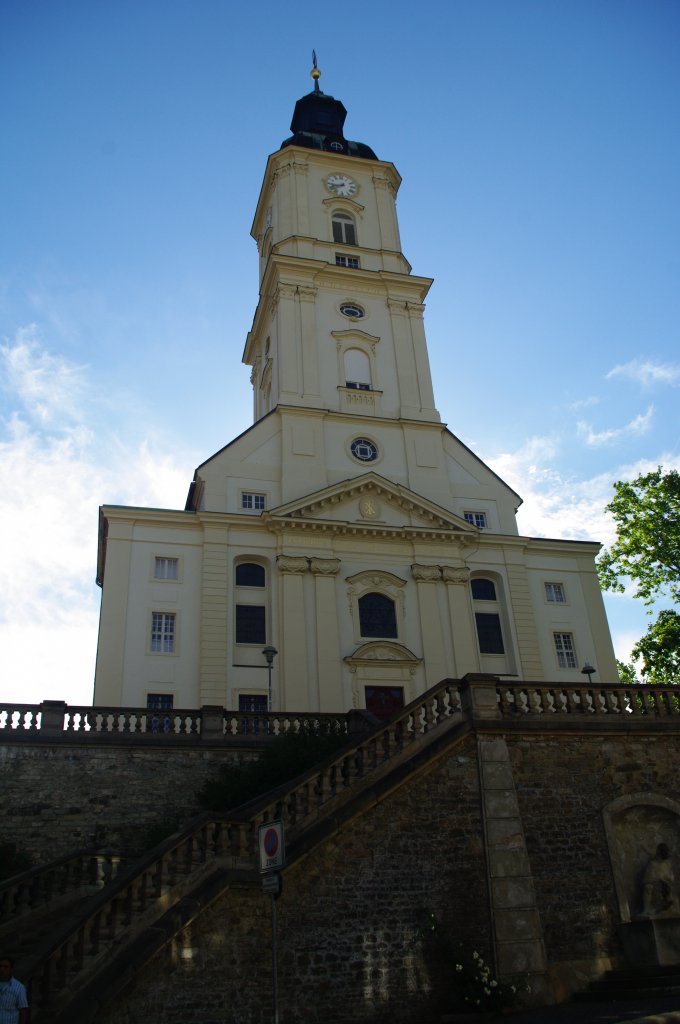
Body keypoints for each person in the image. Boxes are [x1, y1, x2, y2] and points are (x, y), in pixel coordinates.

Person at [0, 958, 28, 1024]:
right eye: (0, 966)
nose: (2, 969)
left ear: (11, 969)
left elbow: (23, 1010)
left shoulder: (19, 987)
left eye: (6, 967)